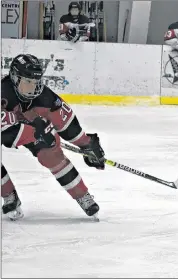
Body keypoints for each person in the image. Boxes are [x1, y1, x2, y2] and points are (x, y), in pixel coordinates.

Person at [1, 54, 105, 220]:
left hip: (30, 130)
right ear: (14, 78)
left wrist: (87, 144)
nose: (33, 87)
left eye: (36, 82)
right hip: (7, 131)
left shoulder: (46, 97)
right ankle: (8, 195)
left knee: (51, 154)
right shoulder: (2, 92)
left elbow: (67, 123)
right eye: (28, 82)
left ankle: (82, 195)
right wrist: (34, 130)